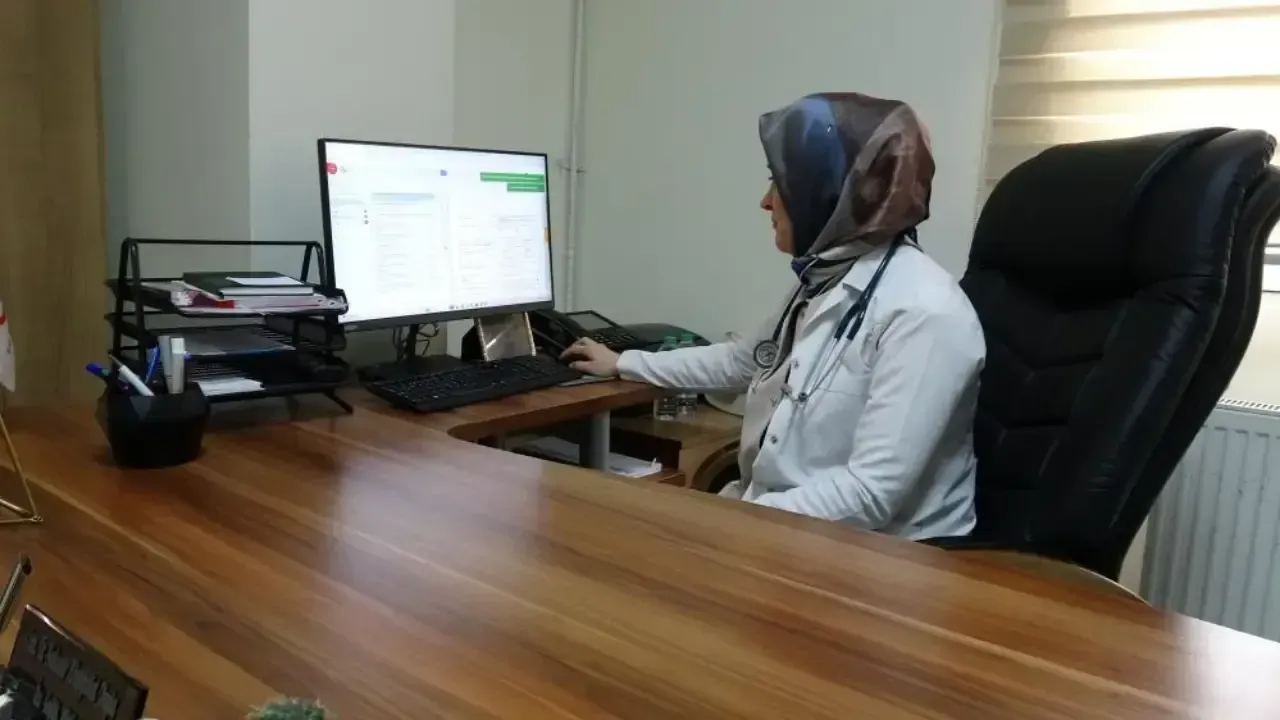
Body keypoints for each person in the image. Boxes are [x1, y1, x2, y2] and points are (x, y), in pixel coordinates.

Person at [562, 92, 984, 540]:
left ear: (831, 191)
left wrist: (737, 520)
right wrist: (624, 362)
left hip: (881, 553)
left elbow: (869, 494)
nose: (766, 202)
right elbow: (743, 361)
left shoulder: (925, 312)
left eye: (780, 183)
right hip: (788, 523)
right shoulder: (827, 277)